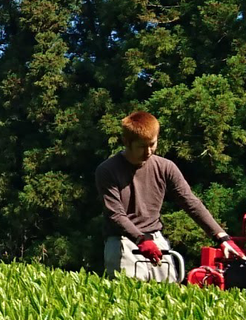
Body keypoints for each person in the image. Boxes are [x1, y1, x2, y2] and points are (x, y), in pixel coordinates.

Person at [96, 111, 234, 280]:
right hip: (122, 242)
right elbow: (115, 214)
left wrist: (221, 237)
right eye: (141, 146)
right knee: (129, 297)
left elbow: (190, 202)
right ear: (126, 142)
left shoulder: (165, 167)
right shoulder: (107, 170)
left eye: (152, 144)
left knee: (167, 294)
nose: (148, 151)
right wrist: (141, 239)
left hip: (155, 239)